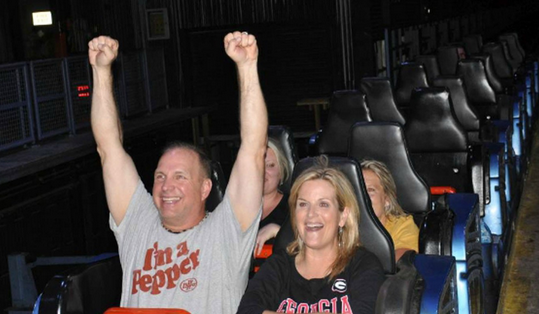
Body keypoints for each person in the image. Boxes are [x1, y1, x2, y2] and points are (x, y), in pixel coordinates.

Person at [88, 31, 267, 313]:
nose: (166, 186)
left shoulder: (227, 232)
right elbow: (108, 149)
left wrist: (247, 67)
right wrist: (100, 71)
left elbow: (254, 150)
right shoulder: (138, 223)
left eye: (180, 177)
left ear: (205, 188)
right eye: (160, 176)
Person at [238, 156, 385, 314]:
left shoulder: (363, 265)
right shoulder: (278, 265)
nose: (311, 214)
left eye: (323, 204)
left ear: (343, 216)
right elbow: (247, 309)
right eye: (303, 204)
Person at [361, 159, 419, 261]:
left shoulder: (402, 225)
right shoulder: (341, 226)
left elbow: (403, 258)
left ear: (386, 199)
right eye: (358, 190)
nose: (363, 197)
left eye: (370, 191)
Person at [254, 138, 291, 256]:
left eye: (270, 165)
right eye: (257, 164)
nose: (263, 171)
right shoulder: (233, 211)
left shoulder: (296, 206)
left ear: (281, 172)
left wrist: (279, 232)